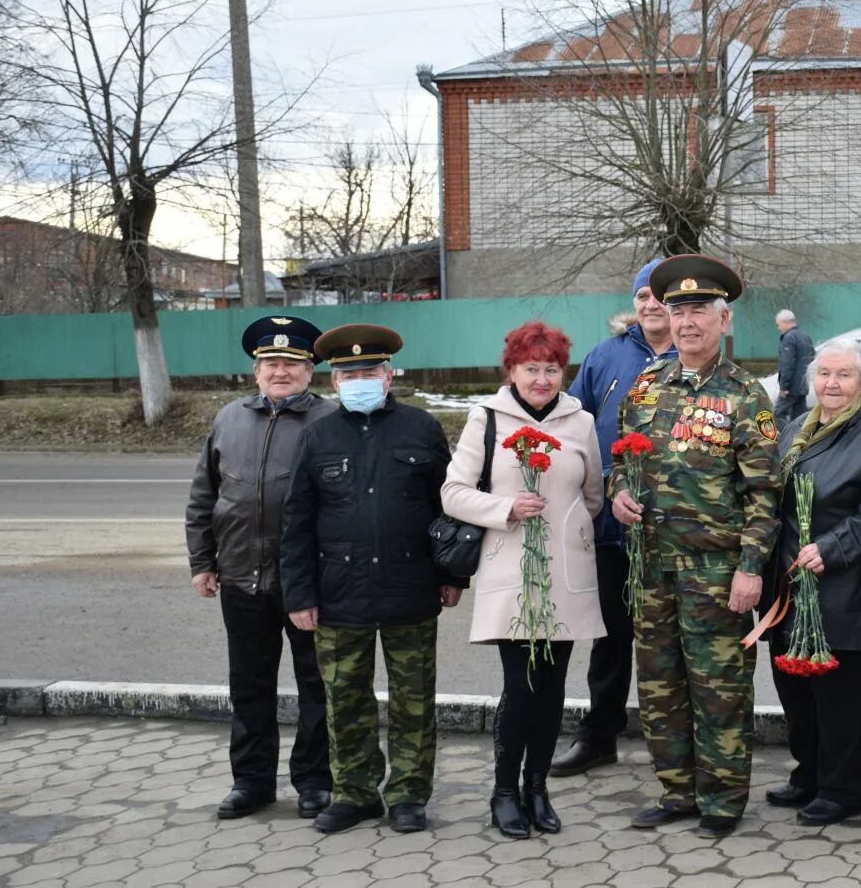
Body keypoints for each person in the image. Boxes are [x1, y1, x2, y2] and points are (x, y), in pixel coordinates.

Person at [610, 254, 781, 839]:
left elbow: (765, 492)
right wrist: (617, 494)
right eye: (677, 309)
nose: (686, 321)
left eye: (699, 310)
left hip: (715, 571)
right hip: (653, 568)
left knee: (720, 691)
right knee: (660, 687)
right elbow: (624, 457)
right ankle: (677, 791)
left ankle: (723, 802)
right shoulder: (646, 386)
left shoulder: (745, 395)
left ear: (723, 319)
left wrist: (750, 569)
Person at [279, 324, 464, 835]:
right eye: (347, 373)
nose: (358, 379)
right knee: (345, 702)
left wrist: (451, 576)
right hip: (338, 595)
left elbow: (445, 510)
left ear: (388, 376)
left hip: (411, 589)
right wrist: (299, 594)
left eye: (368, 371)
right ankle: (355, 792)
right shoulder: (317, 435)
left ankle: (408, 794)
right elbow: (296, 521)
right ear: (333, 382)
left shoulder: (421, 428)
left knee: (414, 700)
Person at [441, 321, 605, 839]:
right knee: (521, 684)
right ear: (511, 370)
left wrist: (568, 528)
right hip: (512, 570)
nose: (541, 379)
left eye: (551, 369)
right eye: (531, 369)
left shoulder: (580, 421)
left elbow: (594, 494)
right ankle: (504, 792)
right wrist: (506, 507)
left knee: (553, 686)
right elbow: (453, 492)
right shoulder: (487, 418)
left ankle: (538, 788)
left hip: (565, 574)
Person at [185, 315, 335, 821]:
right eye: (271, 362)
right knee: (249, 685)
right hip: (242, 577)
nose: (280, 371)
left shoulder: (331, 422)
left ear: (309, 370)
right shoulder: (229, 419)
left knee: (317, 685)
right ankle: (251, 782)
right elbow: (205, 495)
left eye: (292, 363)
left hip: (309, 583)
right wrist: (203, 561)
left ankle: (315, 781)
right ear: (255, 370)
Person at [763, 340, 861, 824]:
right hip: (789, 586)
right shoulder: (794, 430)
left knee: (837, 695)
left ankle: (843, 789)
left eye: (844, 375)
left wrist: (831, 548)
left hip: (844, 584)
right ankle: (809, 774)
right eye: (823, 374)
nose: (832, 384)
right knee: (793, 687)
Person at [552, 260, 676, 778]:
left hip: (672, 531)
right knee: (610, 639)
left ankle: (672, 743)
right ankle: (599, 735)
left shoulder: (694, 357)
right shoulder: (606, 357)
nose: (651, 305)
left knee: (668, 641)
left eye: (662, 296)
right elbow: (572, 425)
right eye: (643, 295)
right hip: (609, 530)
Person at [774, 309, 815, 429]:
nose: (778, 328)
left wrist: (784, 386)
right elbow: (812, 357)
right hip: (803, 386)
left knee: (777, 414)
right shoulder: (805, 336)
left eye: (778, 324)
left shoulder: (789, 338)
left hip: (791, 387)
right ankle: (801, 440)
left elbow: (787, 364)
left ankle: (788, 437)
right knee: (800, 417)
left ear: (785, 322)